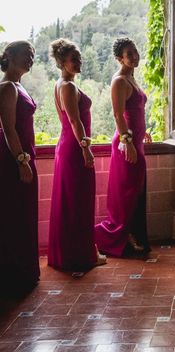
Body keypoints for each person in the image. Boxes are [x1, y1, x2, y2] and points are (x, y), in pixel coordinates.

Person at [48, 39, 107, 271]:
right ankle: (81, 255)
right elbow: (74, 120)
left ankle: (73, 253)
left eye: (80, 58)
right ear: (62, 62)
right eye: (74, 59)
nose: (79, 62)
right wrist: (86, 148)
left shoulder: (60, 84)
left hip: (66, 146)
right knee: (79, 202)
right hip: (74, 149)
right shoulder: (68, 86)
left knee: (71, 202)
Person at [95, 37, 152, 256]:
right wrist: (127, 142)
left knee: (136, 192)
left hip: (136, 141)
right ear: (120, 58)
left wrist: (142, 131)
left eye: (135, 51)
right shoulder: (119, 80)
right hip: (126, 145)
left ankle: (133, 234)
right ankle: (119, 236)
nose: (135, 56)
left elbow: (134, 111)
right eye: (130, 54)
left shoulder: (132, 78)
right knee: (127, 194)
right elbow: (118, 114)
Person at [0, 41, 40, 294]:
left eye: (33, 55)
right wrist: (21, 161)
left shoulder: (17, 86)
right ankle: (13, 274)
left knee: (24, 214)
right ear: (10, 56)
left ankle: (23, 270)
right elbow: (9, 129)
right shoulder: (6, 87)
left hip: (24, 156)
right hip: (14, 159)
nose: (31, 58)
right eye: (26, 54)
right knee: (14, 215)